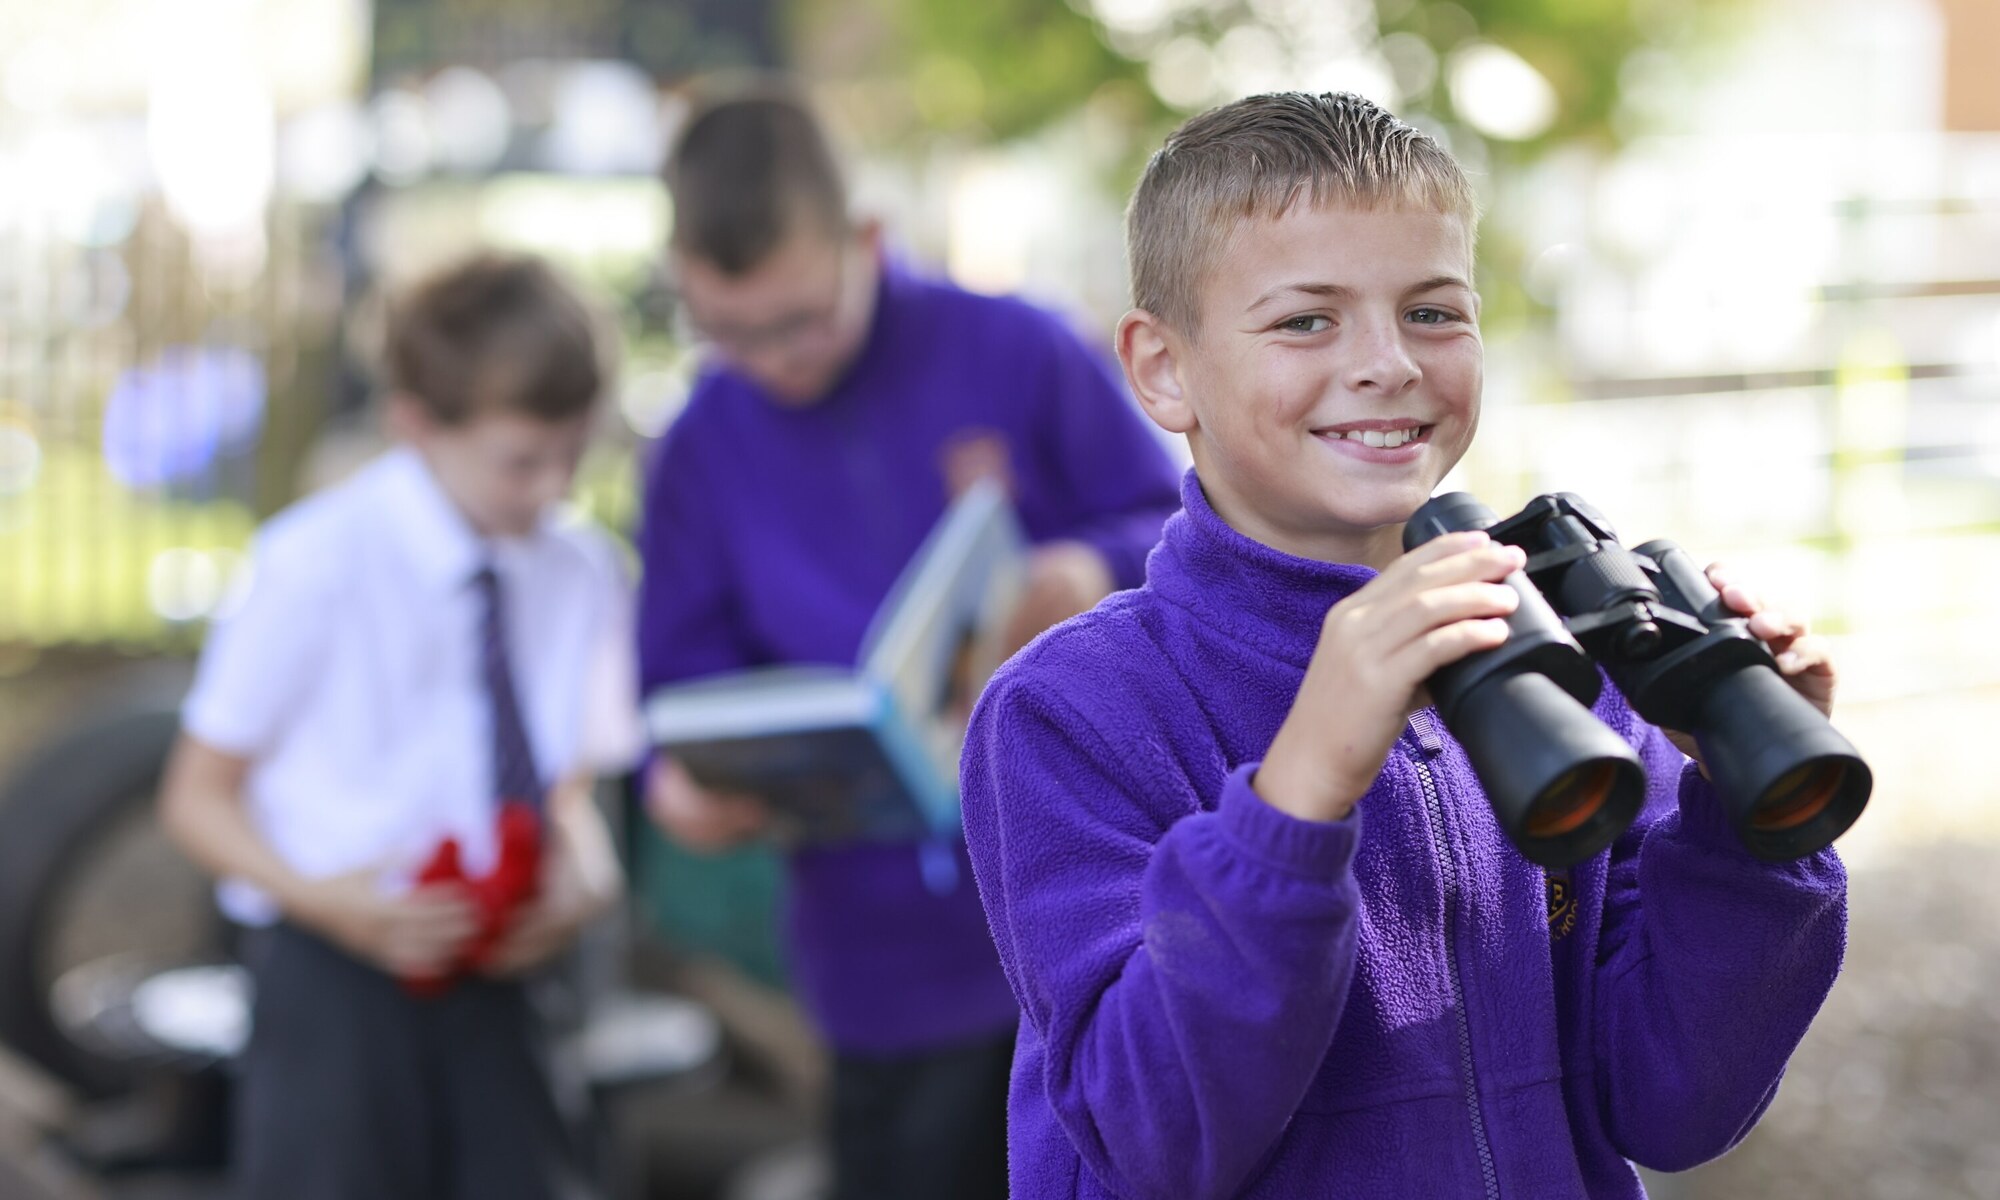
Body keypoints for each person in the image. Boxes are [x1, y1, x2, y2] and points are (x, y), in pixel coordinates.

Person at [958, 91, 1850, 1199]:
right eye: (1303, 320)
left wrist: (1744, 810)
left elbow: (1672, 1103)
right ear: (1160, 368)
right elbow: (1155, 1139)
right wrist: (1299, 794)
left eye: (1432, 312)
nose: (1385, 362)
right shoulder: (1070, 710)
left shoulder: (1564, 672)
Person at [635, 81, 1183, 1200]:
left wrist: (1082, 567)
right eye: (728, 333)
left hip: (1099, 896)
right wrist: (677, 783)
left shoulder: (1017, 347)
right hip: (873, 945)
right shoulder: (698, 444)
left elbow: (1181, 527)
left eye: (797, 320)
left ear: (866, 240)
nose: (772, 358)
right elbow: (676, 679)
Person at [161, 253, 639, 1200]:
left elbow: (568, 791)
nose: (550, 487)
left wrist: (583, 874)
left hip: (506, 976)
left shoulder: (583, 572)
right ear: (415, 423)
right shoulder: (313, 565)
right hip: (333, 978)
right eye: (520, 461)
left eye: (572, 455)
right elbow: (195, 798)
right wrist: (328, 901)